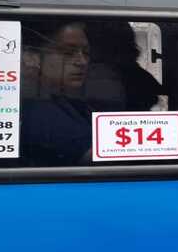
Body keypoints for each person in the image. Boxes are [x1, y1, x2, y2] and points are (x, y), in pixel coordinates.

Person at [18, 20, 162, 166]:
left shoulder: (72, 104)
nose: (82, 61)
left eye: (86, 53)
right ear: (31, 57)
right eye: (68, 52)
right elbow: (107, 162)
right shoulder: (41, 114)